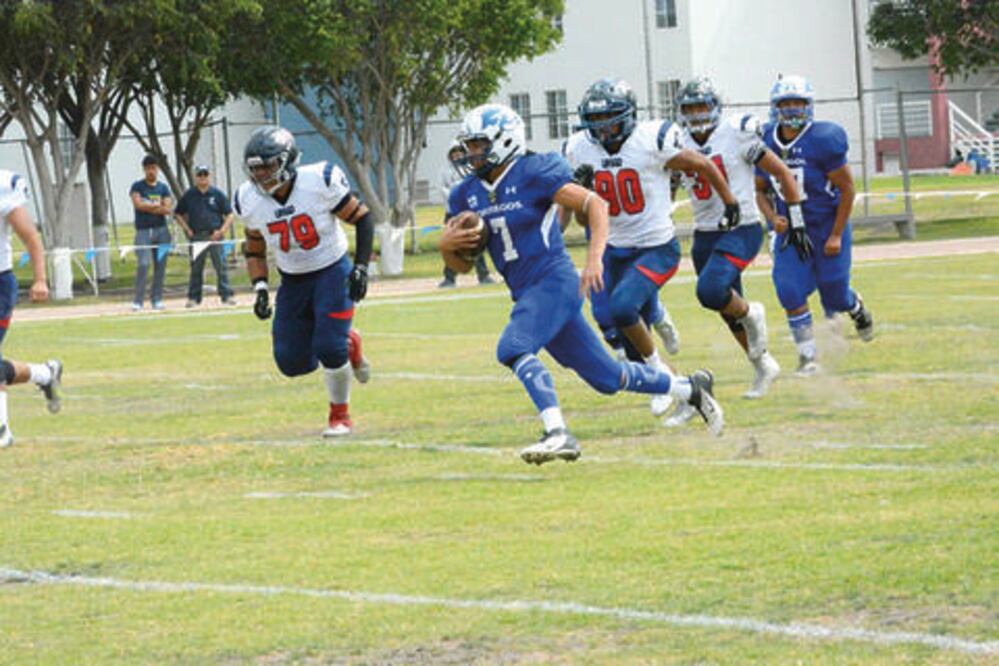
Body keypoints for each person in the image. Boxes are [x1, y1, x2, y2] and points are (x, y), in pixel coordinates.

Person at [439, 104, 723, 466]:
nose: (472, 153)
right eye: (470, 145)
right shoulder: (465, 193)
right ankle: (690, 388)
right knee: (608, 377)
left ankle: (557, 432)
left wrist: (593, 260)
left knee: (512, 347)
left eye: (479, 144)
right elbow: (460, 266)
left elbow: (596, 204)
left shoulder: (534, 170)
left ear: (505, 139)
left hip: (554, 281)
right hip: (527, 291)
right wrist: (448, 249)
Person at [563, 77, 738, 418]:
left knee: (624, 307)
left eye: (608, 118)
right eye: (595, 120)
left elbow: (701, 164)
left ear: (627, 116)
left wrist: (729, 203)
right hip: (614, 249)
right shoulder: (579, 149)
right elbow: (584, 224)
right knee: (621, 333)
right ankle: (689, 390)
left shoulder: (650, 139)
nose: (601, 127)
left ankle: (659, 376)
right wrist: (582, 195)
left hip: (656, 247)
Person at [235, 127, 373, 437]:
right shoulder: (249, 199)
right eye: (255, 168)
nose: (262, 175)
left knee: (328, 347)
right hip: (293, 280)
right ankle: (349, 341)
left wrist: (361, 267)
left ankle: (340, 416)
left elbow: (362, 218)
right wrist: (259, 287)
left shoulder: (318, 181)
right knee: (291, 362)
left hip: (331, 269)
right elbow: (254, 246)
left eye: (268, 166)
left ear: (287, 162)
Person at [670, 76, 798, 406]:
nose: (697, 114)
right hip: (705, 232)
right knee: (726, 308)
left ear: (715, 107)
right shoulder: (676, 139)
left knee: (710, 291)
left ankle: (754, 314)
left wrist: (793, 220)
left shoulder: (736, 132)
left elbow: (780, 172)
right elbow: (667, 183)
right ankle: (763, 364)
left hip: (741, 228)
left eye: (702, 106)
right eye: (690, 108)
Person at [754, 75, 874, 376]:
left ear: (809, 105)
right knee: (789, 290)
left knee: (834, 295)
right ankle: (808, 357)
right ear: (775, 108)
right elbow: (759, 189)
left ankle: (855, 306)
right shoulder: (765, 140)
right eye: (786, 103)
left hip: (826, 224)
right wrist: (772, 218)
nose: (793, 109)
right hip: (791, 231)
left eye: (798, 103)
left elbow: (847, 190)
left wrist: (835, 235)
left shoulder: (823, 139)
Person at [0, 170, 62, 448]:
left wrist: (40, 278)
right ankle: (44, 374)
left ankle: (2, 431)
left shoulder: (3, 186)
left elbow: (30, 236)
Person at [174, 165, 237, 308]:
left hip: (215, 235)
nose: (203, 178)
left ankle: (226, 296)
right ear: (196, 177)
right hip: (197, 236)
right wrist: (187, 229)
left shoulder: (217, 194)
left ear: (209, 176)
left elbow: (230, 214)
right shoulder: (189, 195)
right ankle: (194, 298)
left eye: (205, 175)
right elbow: (178, 213)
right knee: (196, 268)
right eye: (200, 175)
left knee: (221, 267)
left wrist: (222, 231)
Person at [439, 140, 493, 288]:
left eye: (459, 153)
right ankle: (449, 278)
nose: (457, 156)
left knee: (475, 242)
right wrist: (454, 196)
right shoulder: (446, 171)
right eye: (454, 154)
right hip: (454, 212)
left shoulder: (471, 170)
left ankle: (484, 275)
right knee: (453, 245)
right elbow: (443, 189)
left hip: (471, 212)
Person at [130, 154, 173, 311]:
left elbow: (167, 208)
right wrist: (156, 206)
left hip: (161, 230)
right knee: (143, 263)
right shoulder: (137, 186)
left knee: (160, 266)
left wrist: (149, 205)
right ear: (144, 169)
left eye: (154, 168)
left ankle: (157, 298)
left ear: (158, 169)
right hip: (143, 231)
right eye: (148, 168)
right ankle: (138, 300)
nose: (151, 171)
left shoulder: (163, 188)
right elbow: (138, 205)